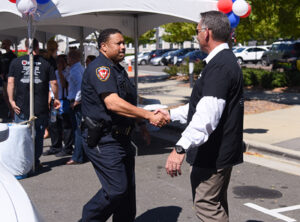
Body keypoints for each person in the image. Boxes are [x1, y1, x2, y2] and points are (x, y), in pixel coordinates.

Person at [157, 11, 244, 221]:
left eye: (197, 31)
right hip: (219, 153)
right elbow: (203, 106)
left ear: (207, 33)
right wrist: (170, 114)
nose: (196, 36)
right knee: (216, 205)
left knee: (207, 206)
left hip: (212, 156)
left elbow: (206, 116)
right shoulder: (222, 61)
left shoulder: (220, 66)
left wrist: (180, 148)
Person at [80, 28, 169, 222]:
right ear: (103, 46)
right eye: (118, 43)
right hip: (104, 139)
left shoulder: (117, 69)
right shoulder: (100, 68)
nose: (123, 47)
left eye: (123, 43)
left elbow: (128, 103)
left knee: (127, 194)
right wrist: (148, 116)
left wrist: (141, 125)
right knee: (116, 189)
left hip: (123, 138)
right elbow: (112, 103)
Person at [7, 38, 60, 170]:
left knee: (22, 135)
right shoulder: (46, 63)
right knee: (38, 136)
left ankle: (24, 161)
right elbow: (53, 83)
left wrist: (11, 101)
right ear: (37, 46)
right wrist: (57, 98)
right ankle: (35, 161)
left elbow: (10, 83)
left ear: (26, 46)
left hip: (21, 105)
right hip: (40, 105)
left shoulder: (16, 62)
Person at [61, 49, 85, 164]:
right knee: (78, 129)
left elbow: (81, 86)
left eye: (68, 58)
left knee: (77, 130)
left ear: (72, 58)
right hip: (75, 100)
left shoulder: (75, 70)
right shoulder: (77, 68)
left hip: (75, 102)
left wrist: (76, 100)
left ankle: (77, 156)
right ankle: (80, 155)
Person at [0, 39, 17, 119]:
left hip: (10, 80)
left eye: (4, 43)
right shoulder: (2, 56)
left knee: (11, 97)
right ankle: (11, 111)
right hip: (4, 80)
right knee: (5, 97)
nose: (2, 45)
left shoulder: (12, 56)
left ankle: (13, 112)